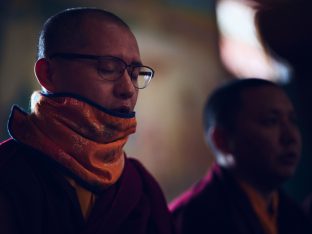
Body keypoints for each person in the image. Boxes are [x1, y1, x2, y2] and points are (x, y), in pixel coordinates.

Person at [0, 7, 173, 234]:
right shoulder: (8, 173)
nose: (128, 90)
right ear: (48, 74)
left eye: (134, 74)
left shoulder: (140, 187)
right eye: (108, 68)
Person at [170, 78, 312, 234]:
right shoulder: (190, 218)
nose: (290, 137)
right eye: (271, 121)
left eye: (293, 121)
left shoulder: (293, 214)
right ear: (221, 140)